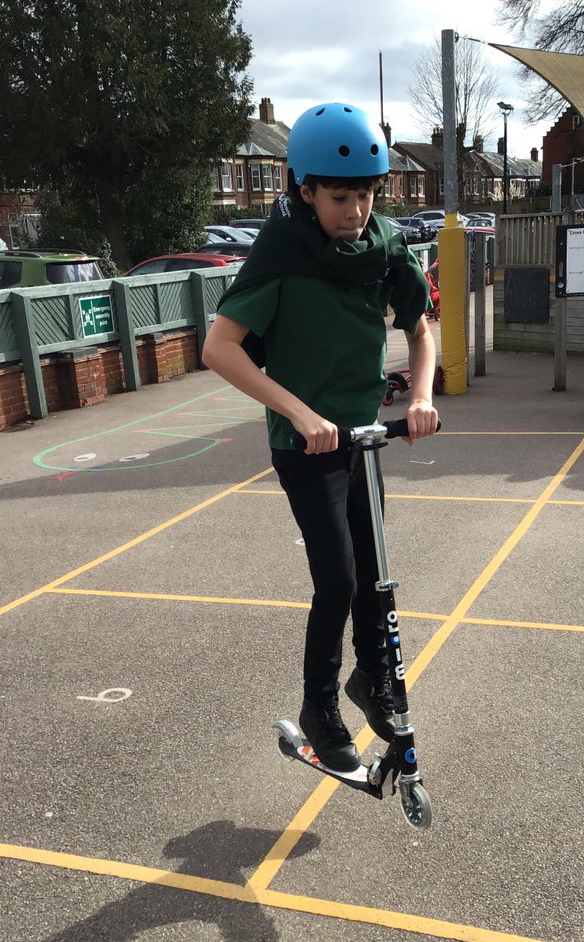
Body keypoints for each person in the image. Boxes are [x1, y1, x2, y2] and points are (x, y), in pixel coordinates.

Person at [202, 101, 439, 771]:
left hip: (362, 436)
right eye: (339, 197)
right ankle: (319, 705)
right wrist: (298, 412)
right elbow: (220, 349)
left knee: (375, 576)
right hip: (305, 446)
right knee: (336, 579)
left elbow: (419, 330)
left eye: (365, 195)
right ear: (303, 189)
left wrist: (420, 395)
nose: (355, 211)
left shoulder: (385, 245)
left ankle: (371, 679)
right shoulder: (283, 253)